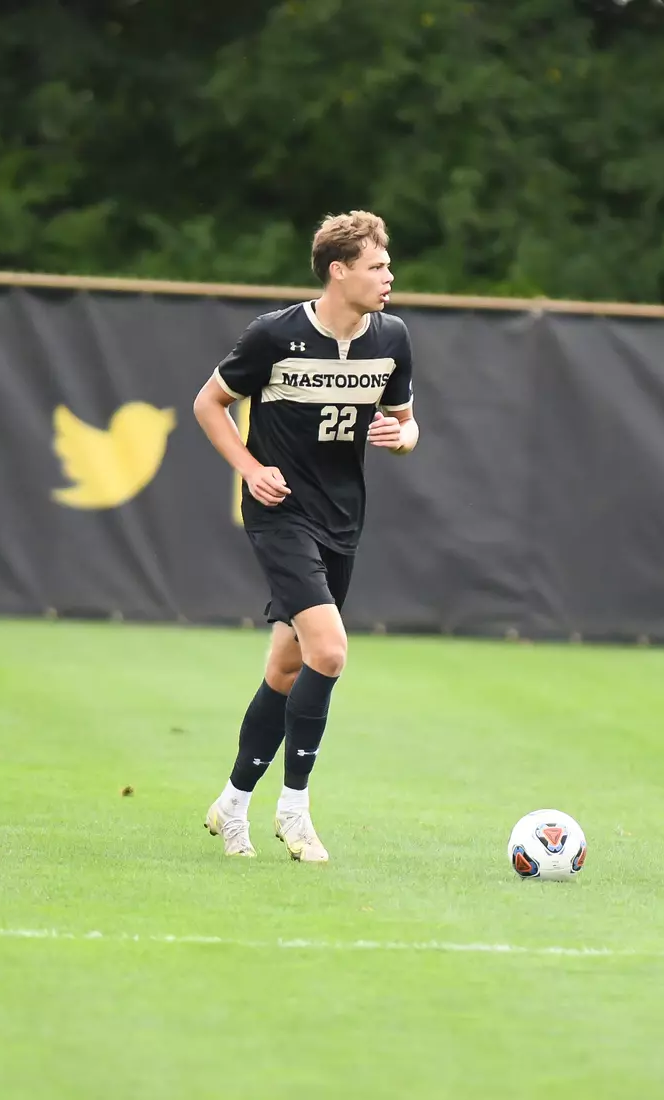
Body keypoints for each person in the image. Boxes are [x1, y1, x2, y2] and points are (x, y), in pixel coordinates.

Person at [190, 211, 419, 862]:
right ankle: (295, 809)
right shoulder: (275, 336)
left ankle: (233, 803)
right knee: (331, 650)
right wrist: (250, 468)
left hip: (343, 518)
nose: (388, 277)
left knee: (288, 666)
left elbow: (406, 425)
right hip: (281, 512)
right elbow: (209, 403)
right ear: (338, 271)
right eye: (377, 266)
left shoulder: (392, 339)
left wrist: (401, 437)